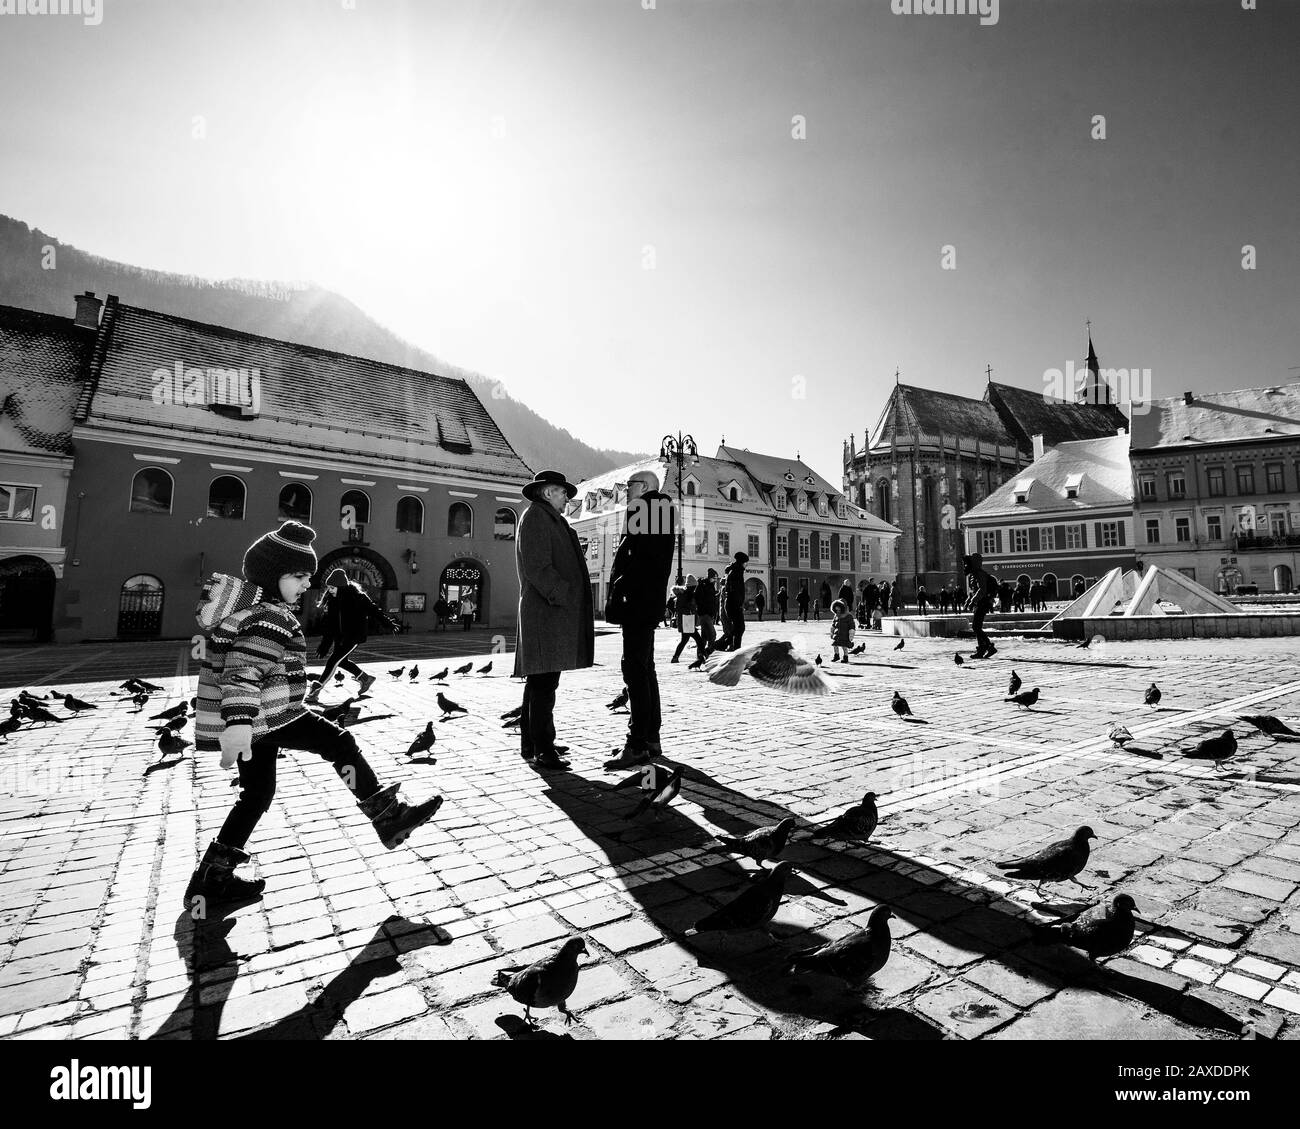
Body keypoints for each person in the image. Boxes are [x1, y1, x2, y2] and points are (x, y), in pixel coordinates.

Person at [186, 521, 443, 914]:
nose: (307, 584)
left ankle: (210, 882)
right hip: (269, 716)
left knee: (256, 794)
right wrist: (239, 722)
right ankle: (385, 814)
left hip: (257, 720)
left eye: (309, 576)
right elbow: (243, 671)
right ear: (273, 576)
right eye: (299, 576)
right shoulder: (270, 617)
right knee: (339, 742)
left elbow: (252, 667)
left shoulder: (252, 612)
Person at [513, 470, 595, 771]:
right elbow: (538, 568)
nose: (567, 499)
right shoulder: (537, 517)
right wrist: (566, 594)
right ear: (548, 492)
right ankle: (543, 748)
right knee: (543, 685)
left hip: (549, 613)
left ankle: (533, 743)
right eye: (563, 493)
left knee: (541, 682)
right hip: (545, 612)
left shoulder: (548, 517)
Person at [605, 469, 676, 769]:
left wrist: (620, 590)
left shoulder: (650, 508)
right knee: (645, 670)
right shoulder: (654, 510)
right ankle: (649, 739)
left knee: (635, 671)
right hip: (644, 603)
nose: (626, 490)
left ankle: (637, 744)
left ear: (645, 486)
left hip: (637, 603)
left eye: (630, 485)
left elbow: (640, 561)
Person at [305, 569, 385, 703]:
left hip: (353, 636)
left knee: (333, 661)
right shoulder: (333, 600)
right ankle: (365, 678)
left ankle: (316, 690)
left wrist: (387, 623)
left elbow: (373, 610)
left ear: (341, 587)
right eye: (328, 587)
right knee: (341, 661)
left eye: (332, 587)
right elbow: (330, 624)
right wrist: (326, 643)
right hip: (339, 637)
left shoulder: (358, 597)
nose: (329, 590)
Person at [963, 552, 1000, 659]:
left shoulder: (979, 574)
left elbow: (982, 590)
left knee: (976, 627)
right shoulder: (974, 575)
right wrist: (968, 601)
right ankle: (984, 648)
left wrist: (972, 601)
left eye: (967, 564)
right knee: (976, 627)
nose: (965, 566)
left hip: (983, 602)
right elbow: (973, 591)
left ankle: (987, 647)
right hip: (980, 602)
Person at [670, 574, 703, 664]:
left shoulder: (687, 595)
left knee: (684, 640)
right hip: (687, 621)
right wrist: (690, 609)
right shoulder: (685, 596)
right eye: (694, 586)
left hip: (687, 622)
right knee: (699, 640)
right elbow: (681, 609)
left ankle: (675, 657)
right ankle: (703, 657)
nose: (695, 588)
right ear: (691, 586)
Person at [724, 551, 748, 651]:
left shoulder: (736, 571)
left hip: (733, 604)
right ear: (741, 562)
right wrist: (738, 604)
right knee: (739, 628)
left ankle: (734, 648)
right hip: (733, 604)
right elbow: (734, 590)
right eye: (745, 563)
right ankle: (730, 647)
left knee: (738, 628)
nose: (746, 565)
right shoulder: (736, 573)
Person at [696, 568, 720, 656]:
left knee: (704, 636)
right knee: (712, 635)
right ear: (710, 577)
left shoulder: (710, 585)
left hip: (708, 614)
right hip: (705, 614)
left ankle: (701, 654)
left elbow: (710, 597)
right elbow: (700, 598)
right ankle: (709, 653)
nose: (715, 580)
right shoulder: (703, 584)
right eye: (714, 578)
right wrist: (705, 609)